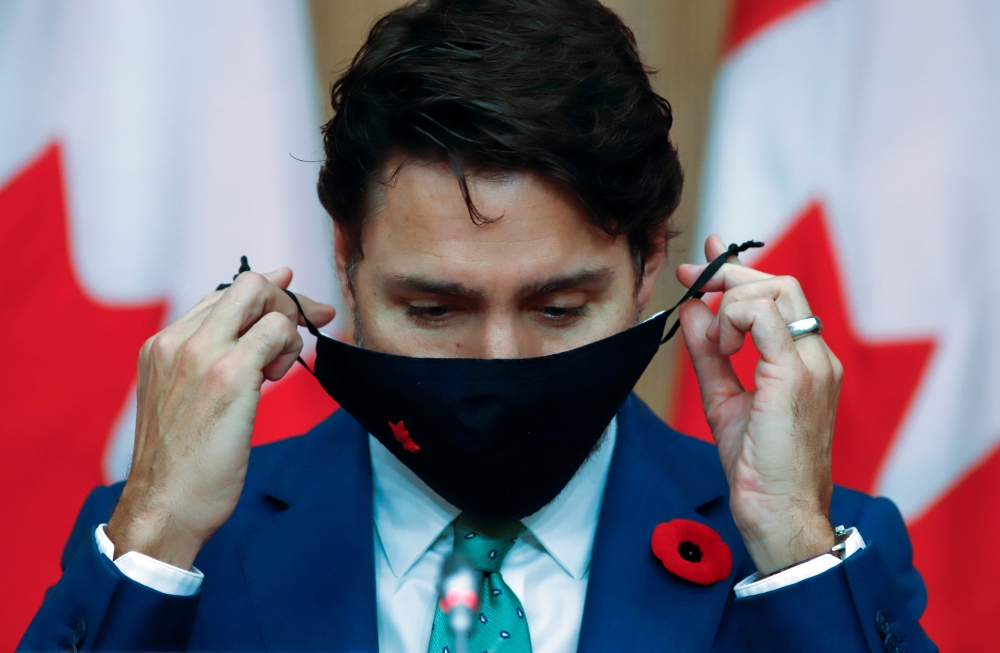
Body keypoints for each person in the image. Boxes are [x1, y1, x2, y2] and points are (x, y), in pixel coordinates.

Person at [20, 0, 935, 651]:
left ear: (650, 263)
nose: (500, 359)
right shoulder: (171, 545)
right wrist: (155, 529)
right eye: (434, 309)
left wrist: (788, 540)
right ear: (346, 261)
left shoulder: (817, 552)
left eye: (559, 309)